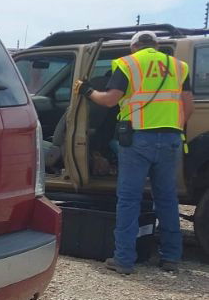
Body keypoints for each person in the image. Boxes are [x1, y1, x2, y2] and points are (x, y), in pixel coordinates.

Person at [77, 32, 194, 274]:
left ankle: (124, 260)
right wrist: (172, 127)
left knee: (130, 200)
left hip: (138, 139)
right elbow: (188, 105)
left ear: (134, 46)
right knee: (167, 199)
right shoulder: (179, 66)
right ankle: (171, 257)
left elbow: (110, 100)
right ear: (157, 46)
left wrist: (87, 91)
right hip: (171, 138)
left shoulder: (128, 63)